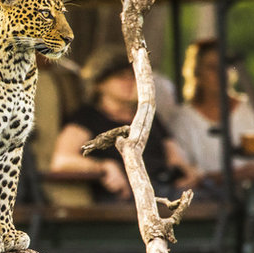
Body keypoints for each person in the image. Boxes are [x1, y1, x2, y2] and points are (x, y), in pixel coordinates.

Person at [51, 46, 198, 202]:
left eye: (133, 76)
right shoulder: (87, 118)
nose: (129, 83)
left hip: (163, 192)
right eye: (120, 77)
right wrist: (103, 167)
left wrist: (187, 173)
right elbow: (61, 161)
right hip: (120, 200)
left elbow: (174, 157)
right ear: (99, 83)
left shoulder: (147, 116)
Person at [166, 37, 254, 183]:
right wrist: (234, 175)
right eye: (212, 67)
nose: (220, 74)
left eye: (225, 66)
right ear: (197, 72)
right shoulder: (182, 119)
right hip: (208, 200)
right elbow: (184, 173)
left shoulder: (252, 109)